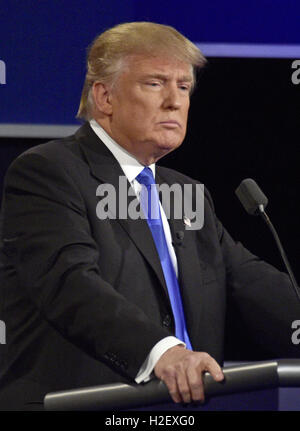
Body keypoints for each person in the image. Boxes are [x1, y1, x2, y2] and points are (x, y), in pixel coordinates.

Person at [0, 22, 299, 411]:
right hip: (84, 403)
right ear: (105, 96)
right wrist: (163, 354)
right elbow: (70, 282)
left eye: (184, 87)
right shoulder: (49, 173)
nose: (175, 101)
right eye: (156, 84)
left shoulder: (187, 192)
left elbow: (248, 280)